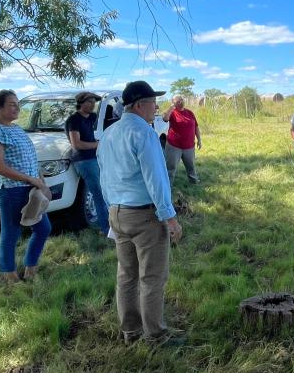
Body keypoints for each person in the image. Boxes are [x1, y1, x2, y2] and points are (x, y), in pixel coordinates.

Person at [97, 81, 183, 345]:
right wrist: (170, 218)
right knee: (152, 277)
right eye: (152, 102)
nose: (156, 108)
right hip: (145, 216)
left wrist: (112, 207)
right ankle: (155, 335)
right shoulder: (144, 133)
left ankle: (130, 331)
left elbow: (104, 176)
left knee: (127, 275)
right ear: (138, 105)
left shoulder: (109, 134)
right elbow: (156, 179)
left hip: (118, 212)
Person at [0, 90, 51, 283]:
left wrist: (41, 182)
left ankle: (31, 267)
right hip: (11, 190)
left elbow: (30, 159)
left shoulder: (16, 128)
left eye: (17, 104)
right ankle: (9, 274)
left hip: (30, 189)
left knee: (43, 228)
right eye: (11, 104)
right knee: (11, 232)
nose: (16, 107)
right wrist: (31, 180)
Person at [65, 91, 109, 236]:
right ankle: (106, 229)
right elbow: (76, 144)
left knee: (104, 191)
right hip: (83, 161)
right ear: (81, 103)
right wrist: (97, 145)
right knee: (99, 194)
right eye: (89, 102)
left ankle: (108, 225)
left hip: (93, 158)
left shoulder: (92, 117)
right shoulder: (73, 120)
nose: (92, 104)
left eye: (94, 102)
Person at [162, 94, 201, 184]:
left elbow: (196, 126)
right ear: (173, 102)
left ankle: (194, 182)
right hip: (174, 146)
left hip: (189, 146)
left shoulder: (190, 112)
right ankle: (168, 185)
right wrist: (171, 107)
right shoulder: (172, 112)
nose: (181, 101)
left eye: (182, 99)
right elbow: (165, 118)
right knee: (170, 168)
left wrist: (199, 139)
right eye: (178, 100)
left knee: (191, 166)